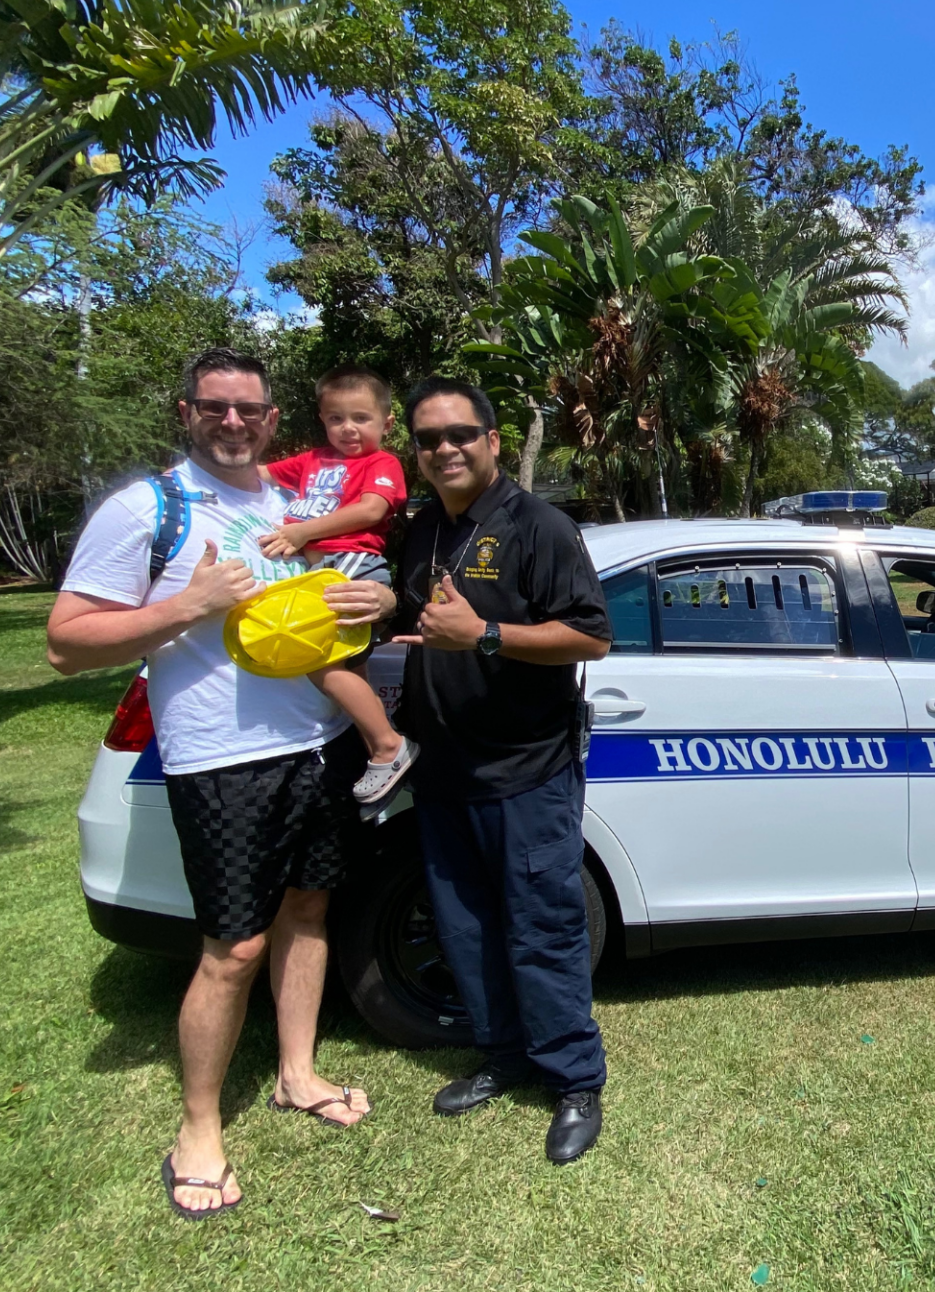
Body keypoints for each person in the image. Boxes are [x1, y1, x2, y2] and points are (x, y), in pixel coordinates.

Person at [47, 348, 395, 1218]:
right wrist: (187, 608)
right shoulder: (148, 508)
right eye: (215, 407)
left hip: (315, 746)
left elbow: (324, 601)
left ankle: (297, 1073)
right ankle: (198, 1129)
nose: (232, 422)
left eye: (249, 409)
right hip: (219, 759)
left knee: (308, 912)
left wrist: (369, 606)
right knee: (232, 948)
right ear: (187, 410)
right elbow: (65, 641)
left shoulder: (290, 505)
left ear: (275, 419)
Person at [378, 376, 613, 1164]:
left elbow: (589, 637)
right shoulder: (423, 532)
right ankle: (504, 1057)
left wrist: (483, 635)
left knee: (542, 929)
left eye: (459, 434)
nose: (444, 448)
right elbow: (418, 620)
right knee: (468, 930)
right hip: (444, 771)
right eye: (428, 438)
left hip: (527, 770)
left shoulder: (537, 525)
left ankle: (574, 1080)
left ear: (492, 441)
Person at [259, 364, 418, 803]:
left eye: (360, 418)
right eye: (335, 418)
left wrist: (301, 533)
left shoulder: (381, 462)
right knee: (352, 667)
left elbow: (370, 510)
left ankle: (390, 744)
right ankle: (377, 753)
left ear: (385, 423)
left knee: (314, 657)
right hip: (324, 567)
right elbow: (258, 475)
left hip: (349, 563)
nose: (348, 428)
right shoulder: (311, 461)